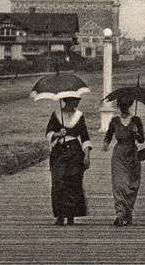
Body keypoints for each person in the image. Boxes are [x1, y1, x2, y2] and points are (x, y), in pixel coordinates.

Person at [45, 97, 91, 226]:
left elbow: (85, 136)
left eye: (77, 101)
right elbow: (48, 133)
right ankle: (60, 215)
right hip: (59, 152)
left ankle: (71, 215)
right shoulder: (56, 115)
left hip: (75, 152)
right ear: (66, 100)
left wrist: (87, 154)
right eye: (73, 101)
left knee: (73, 182)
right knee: (58, 182)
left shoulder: (79, 116)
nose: (75, 103)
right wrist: (58, 134)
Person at [103, 100, 145, 226]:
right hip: (119, 155)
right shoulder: (115, 121)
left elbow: (142, 139)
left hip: (132, 154)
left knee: (132, 184)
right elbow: (109, 134)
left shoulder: (136, 120)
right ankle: (120, 214)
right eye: (122, 105)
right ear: (119, 106)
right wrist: (105, 143)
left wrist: (137, 132)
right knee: (119, 183)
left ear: (130, 105)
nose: (124, 108)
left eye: (126, 105)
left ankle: (128, 212)